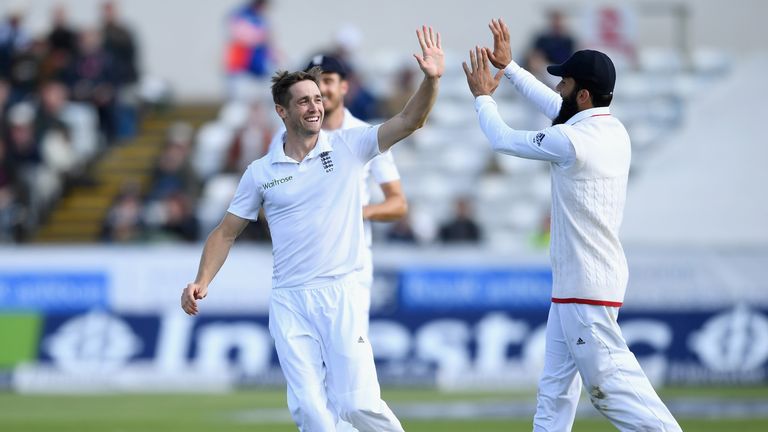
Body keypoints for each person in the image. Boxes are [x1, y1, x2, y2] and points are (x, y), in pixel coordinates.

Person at [181, 26, 443, 431]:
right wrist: (201, 280)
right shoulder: (261, 171)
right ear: (282, 111)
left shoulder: (349, 146)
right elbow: (225, 231)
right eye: (303, 101)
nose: (314, 107)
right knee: (313, 417)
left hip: (341, 292)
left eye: (318, 99)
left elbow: (410, 120)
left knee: (357, 406)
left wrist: (431, 79)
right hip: (289, 301)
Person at [463, 19, 681, 432]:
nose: (558, 87)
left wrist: (482, 98)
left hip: (587, 287)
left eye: (564, 82)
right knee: (555, 394)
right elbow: (556, 107)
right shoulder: (608, 128)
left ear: (583, 94)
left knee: (610, 388)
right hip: (576, 285)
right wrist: (510, 69)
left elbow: (503, 139)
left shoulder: (574, 142)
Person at [268, 53, 407, 313]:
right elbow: (273, 190)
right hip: (300, 266)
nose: (321, 89)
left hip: (350, 268)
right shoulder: (285, 137)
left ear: (344, 86)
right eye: (314, 82)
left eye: (328, 81)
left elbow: (398, 204)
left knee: (347, 353)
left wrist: (357, 211)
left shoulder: (365, 136)